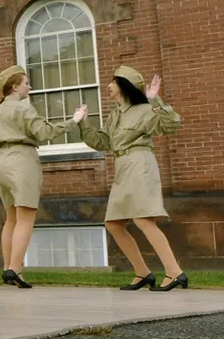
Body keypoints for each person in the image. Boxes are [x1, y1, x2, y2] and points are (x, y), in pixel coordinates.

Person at [77, 66, 187, 291]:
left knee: (143, 219)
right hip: (122, 167)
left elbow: (171, 124)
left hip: (139, 164)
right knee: (113, 223)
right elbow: (103, 142)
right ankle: (143, 273)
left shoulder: (145, 110)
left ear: (124, 86)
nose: (108, 86)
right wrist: (83, 123)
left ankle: (175, 272)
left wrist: (155, 101)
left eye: (113, 82)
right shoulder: (115, 113)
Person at [0, 64, 86, 288]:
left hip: (0, 161)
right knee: (25, 218)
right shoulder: (24, 108)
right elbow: (44, 132)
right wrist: (74, 121)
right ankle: (15, 269)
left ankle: (7, 268)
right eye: (26, 83)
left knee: (10, 218)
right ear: (14, 87)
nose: (29, 87)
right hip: (22, 159)